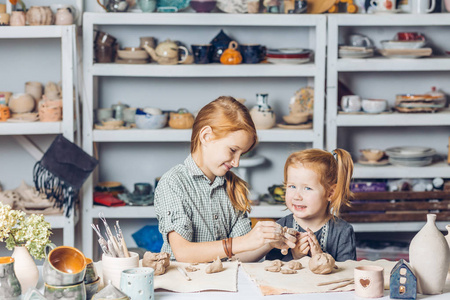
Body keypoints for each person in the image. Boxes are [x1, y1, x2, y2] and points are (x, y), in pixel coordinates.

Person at [154, 96, 295, 263]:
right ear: (206, 136)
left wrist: (268, 242)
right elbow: (183, 253)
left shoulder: (233, 188)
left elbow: (238, 256)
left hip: (222, 283)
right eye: (232, 150)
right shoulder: (173, 183)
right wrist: (244, 241)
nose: (236, 162)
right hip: (185, 285)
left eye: (240, 154)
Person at [266, 148, 356, 262]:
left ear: (330, 193)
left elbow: (348, 275)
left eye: (307, 188)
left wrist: (320, 257)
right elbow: (269, 270)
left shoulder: (343, 231)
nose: (297, 196)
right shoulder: (279, 228)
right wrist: (294, 257)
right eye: (292, 186)